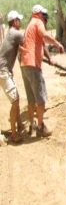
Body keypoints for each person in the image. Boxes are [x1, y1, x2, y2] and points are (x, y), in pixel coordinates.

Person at [20, 4, 64, 137]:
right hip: (33, 66)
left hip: (24, 65)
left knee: (31, 98)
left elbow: (42, 45)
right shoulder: (38, 22)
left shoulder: (30, 25)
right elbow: (45, 36)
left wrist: (50, 59)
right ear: (38, 14)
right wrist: (58, 44)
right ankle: (40, 127)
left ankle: (31, 125)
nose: (45, 18)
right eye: (43, 15)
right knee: (41, 99)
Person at [0, 10, 24, 143]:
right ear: (15, 21)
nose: (20, 22)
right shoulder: (15, 33)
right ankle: (14, 134)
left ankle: (19, 124)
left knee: (17, 97)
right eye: (19, 20)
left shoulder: (10, 32)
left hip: (3, 70)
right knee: (15, 101)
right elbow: (27, 45)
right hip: (3, 71)